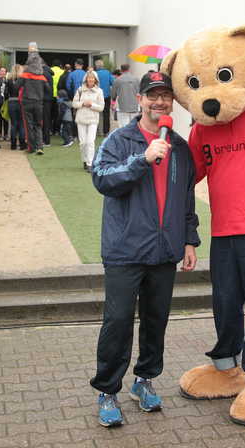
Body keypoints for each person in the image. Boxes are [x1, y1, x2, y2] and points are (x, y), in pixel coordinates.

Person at [90, 71, 200, 428]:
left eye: (166, 96)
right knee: (118, 323)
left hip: (164, 251)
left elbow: (186, 198)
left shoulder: (180, 147)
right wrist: (142, 159)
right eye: (153, 95)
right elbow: (101, 178)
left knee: (156, 322)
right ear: (139, 100)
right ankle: (108, 391)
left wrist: (189, 239)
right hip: (125, 250)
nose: (160, 102)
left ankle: (144, 380)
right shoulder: (120, 140)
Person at [17, 42, 50, 155]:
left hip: (27, 102)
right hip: (38, 103)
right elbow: (48, 90)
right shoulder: (42, 77)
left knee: (29, 125)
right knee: (38, 125)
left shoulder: (25, 75)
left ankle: (31, 148)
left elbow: (16, 87)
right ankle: (40, 147)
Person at [72, 71, 104, 171]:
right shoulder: (80, 90)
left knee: (90, 142)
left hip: (93, 119)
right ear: (86, 79)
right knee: (83, 143)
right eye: (89, 78)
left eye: (92, 78)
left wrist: (92, 105)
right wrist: (82, 103)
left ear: (95, 80)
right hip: (81, 119)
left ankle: (90, 163)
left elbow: (101, 107)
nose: (90, 79)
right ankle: (85, 160)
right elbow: (74, 104)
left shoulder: (99, 91)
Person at [111, 64, 139, 128]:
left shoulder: (117, 80)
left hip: (122, 107)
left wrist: (113, 101)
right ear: (129, 69)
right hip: (134, 106)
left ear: (121, 70)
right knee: (134, 127)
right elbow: (140, 92)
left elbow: (113, 95)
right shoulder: (136, 79)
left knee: (123, 127)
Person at [6, 64, 27, 150]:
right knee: (21, 124)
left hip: (11, 102)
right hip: (21, 102)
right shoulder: (23, 80)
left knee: (13, 124)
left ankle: (13, 144)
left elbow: (6, 93)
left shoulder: (9, 80)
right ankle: (22, 144)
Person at [94, 59, 113, 135]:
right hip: (106, 95)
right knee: (106, 114)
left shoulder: (95, 73)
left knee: (96, 113)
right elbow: (112, 82)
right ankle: (106, 131)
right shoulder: (107, 73)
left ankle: (97, 130)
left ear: (96, 66)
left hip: (96, 96)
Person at [50, 59, 64, 135]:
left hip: (50, 94)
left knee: (49, 113)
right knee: (58, 114)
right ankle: (56, 130)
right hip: (59, 95)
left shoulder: (49, 70)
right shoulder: (62, 71)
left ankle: (50, 130)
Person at [42, 64, 54, 147]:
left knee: (43, 120)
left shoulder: (43, 74)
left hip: (43, 99)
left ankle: (45, 140)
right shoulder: (49, 74)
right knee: (47, 120)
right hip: (49, 99)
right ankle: (47, 140)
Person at [0, 67, 9, 142]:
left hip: (5, 101)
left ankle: (6, 134)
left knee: (5, 118)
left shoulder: (7, 81)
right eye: (1, 71)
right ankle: (0, 134)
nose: (2, 72)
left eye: (4, 71)